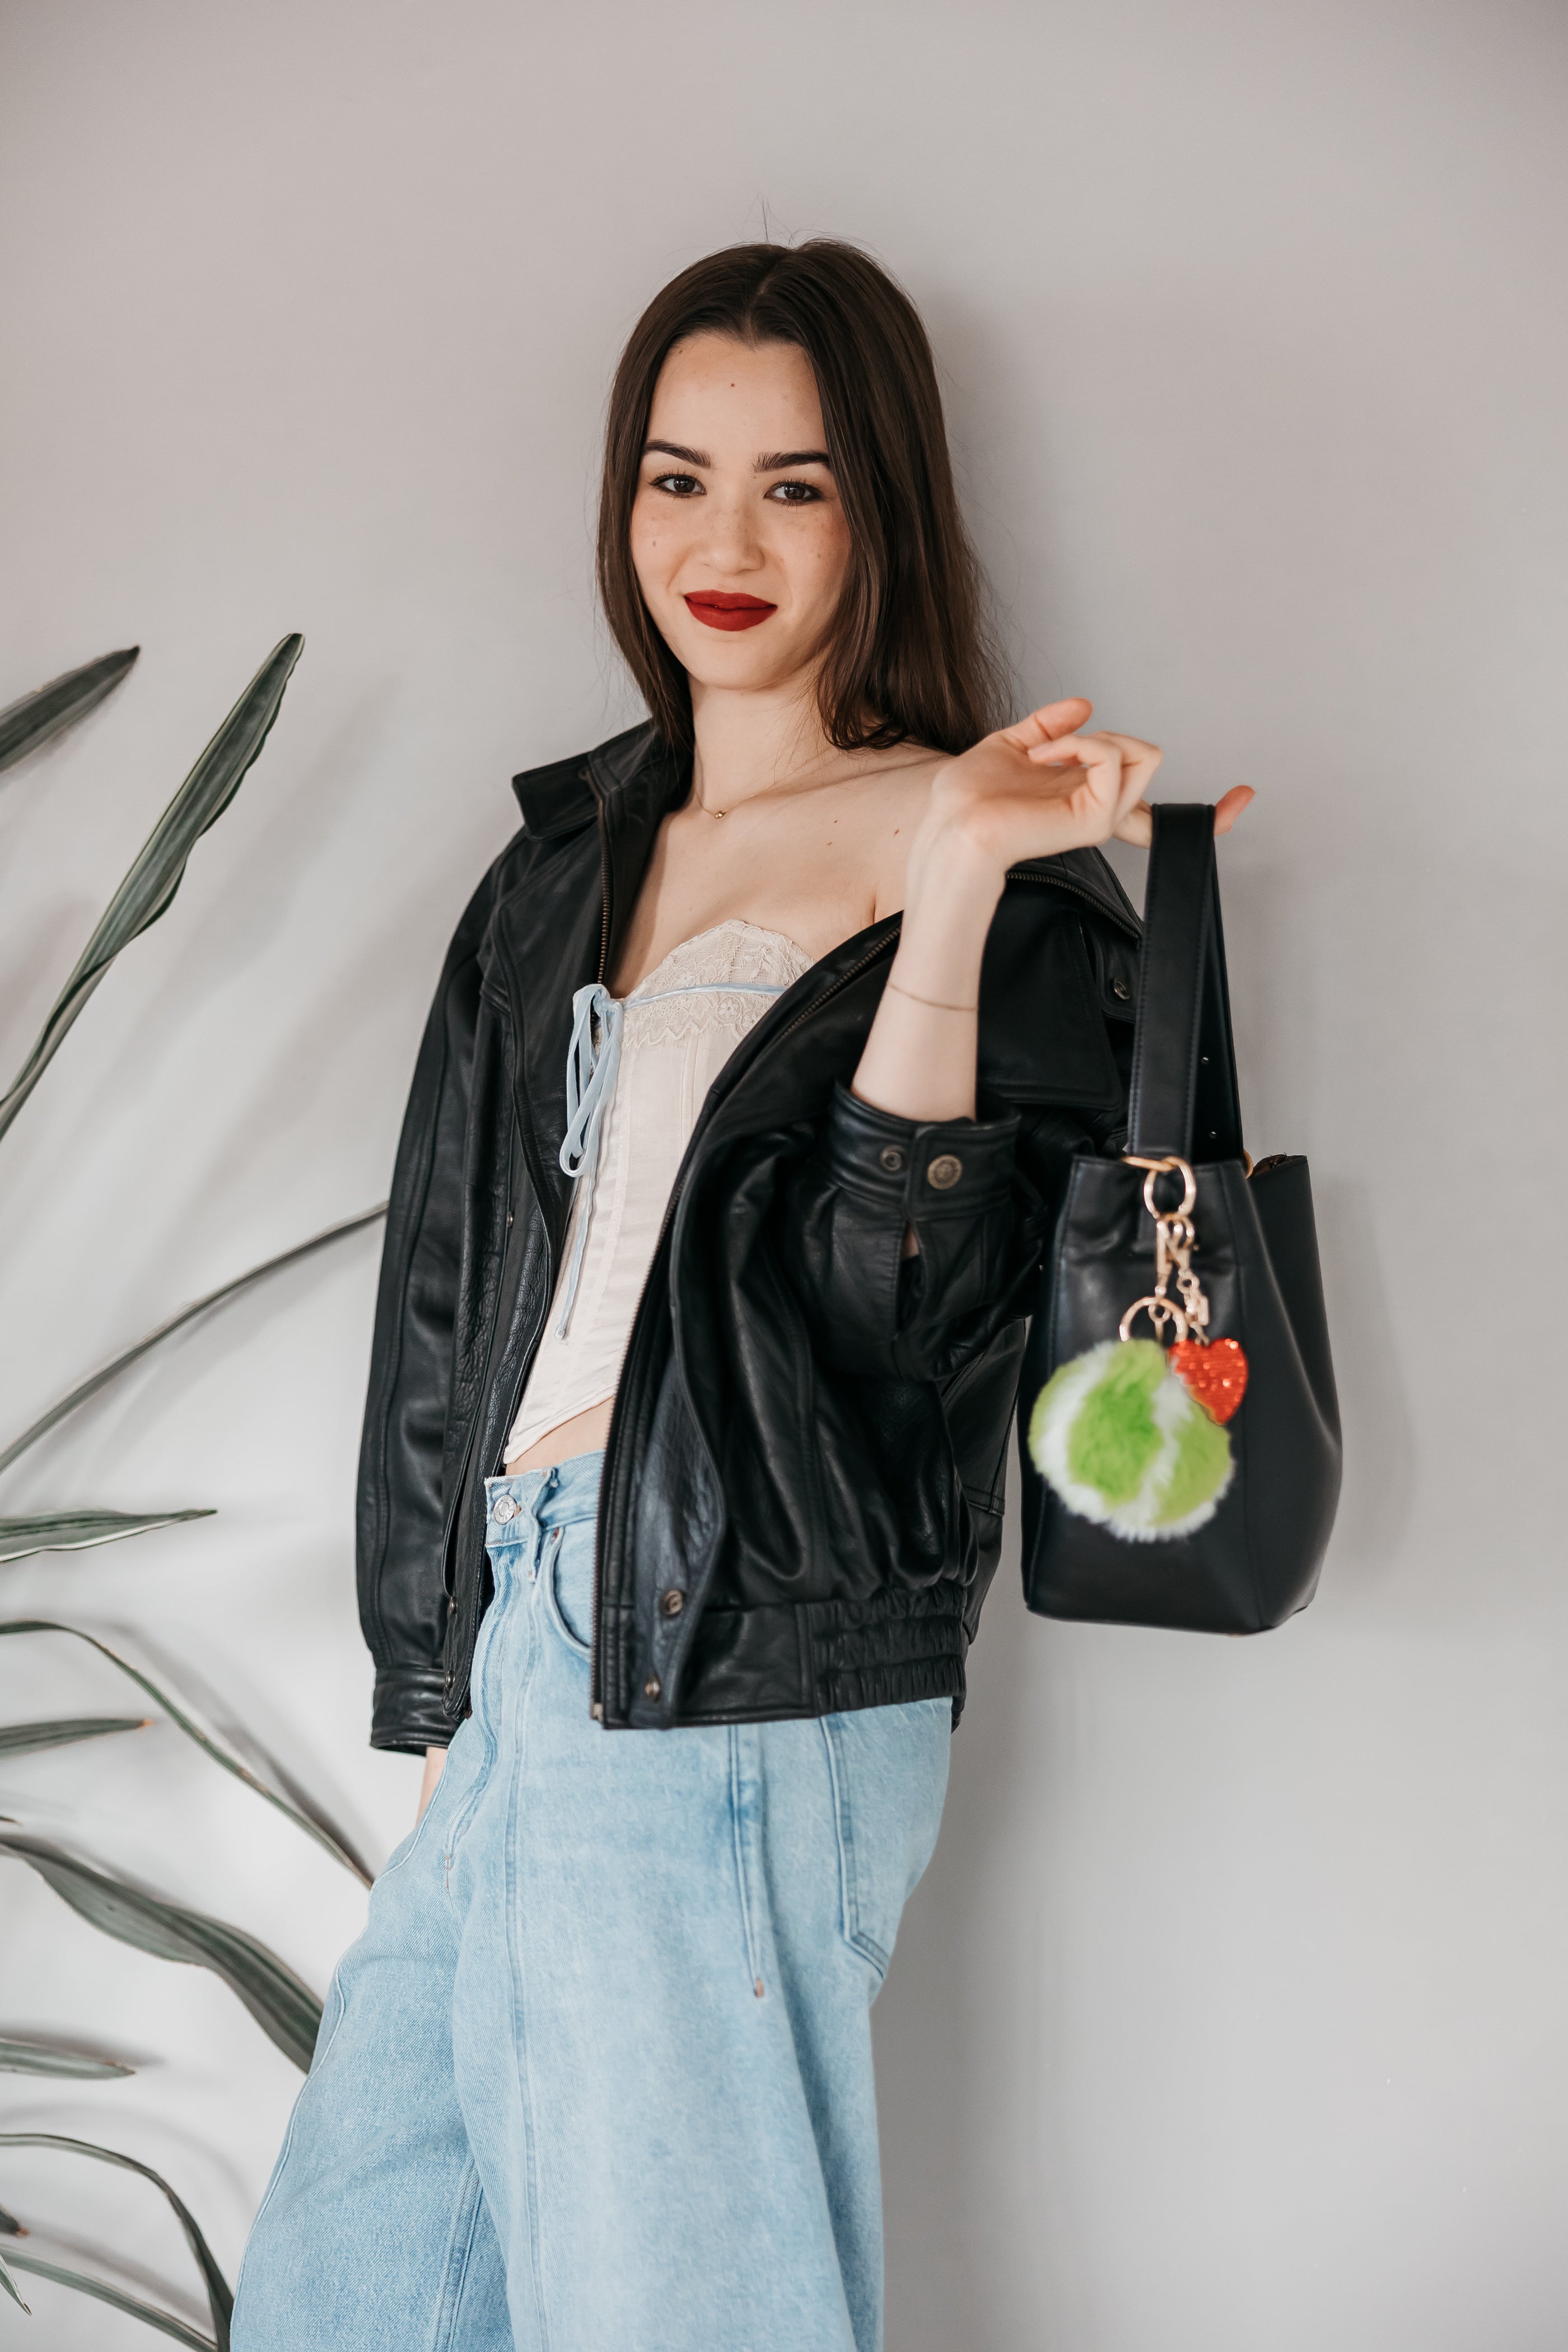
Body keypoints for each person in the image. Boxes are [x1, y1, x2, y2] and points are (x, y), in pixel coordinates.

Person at [231, 238, 1250, 2352]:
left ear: (881, 513)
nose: (726, 542)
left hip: (735, 1649)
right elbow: (450, 1300)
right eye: (678, 478)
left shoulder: (983, 850)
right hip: (534, 1654)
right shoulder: (565, 860)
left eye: (797, 486)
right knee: (350, 2295)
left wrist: (948, 898)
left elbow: (900, 1334)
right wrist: (441, 1690)